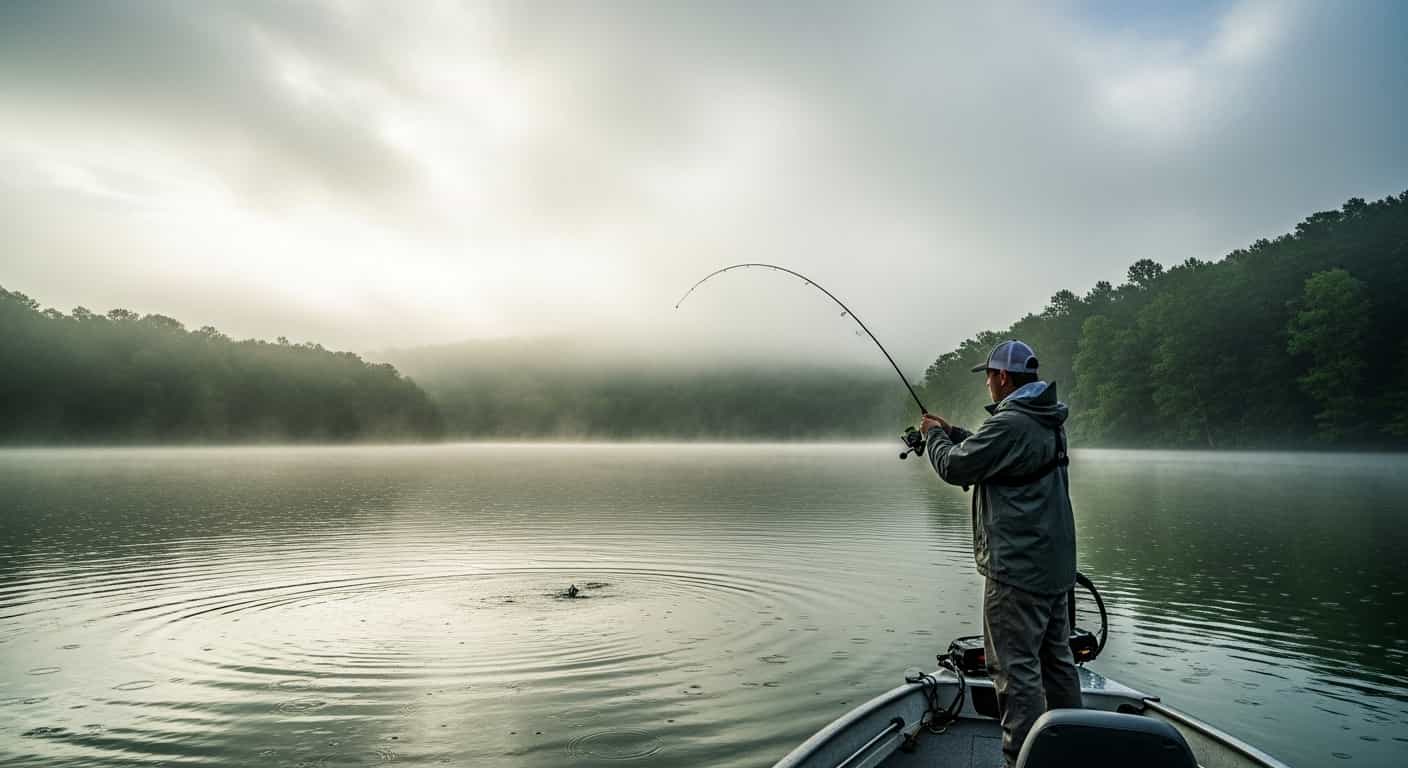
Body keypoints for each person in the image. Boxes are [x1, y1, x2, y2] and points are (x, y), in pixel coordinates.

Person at [920, 339, 1082, 767]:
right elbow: (1001, 454)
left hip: (1017, 571)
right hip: (1054, 568)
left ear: (1003, 378)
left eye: (988, 376)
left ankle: (1022, 761)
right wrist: (955, 433)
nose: (987, 384)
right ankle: (1072, 751)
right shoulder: (1046, 418)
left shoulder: (1012, 422)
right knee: (1057, 663)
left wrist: (934, 437)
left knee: (1015, 672)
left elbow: (957, 467)